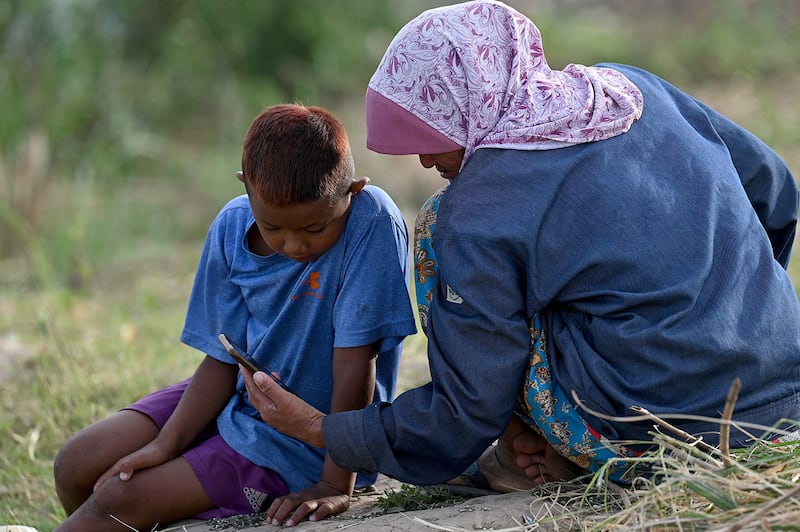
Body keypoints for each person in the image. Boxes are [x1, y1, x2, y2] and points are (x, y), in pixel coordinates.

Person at [244, 0, 800, 525]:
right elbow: (774, 190)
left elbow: (467, 410)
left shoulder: (478, 211)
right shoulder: (628, 89)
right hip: (783, 398)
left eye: (431, 132)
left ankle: (537, 452)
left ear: (471, 99)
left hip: (663, 434)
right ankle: (545, 449)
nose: (425, 157)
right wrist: (730, 301)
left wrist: (321, 429)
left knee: (435, 226)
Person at [52, 103, 417, 531]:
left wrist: (334, 483)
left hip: (306, 443)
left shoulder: (371, 222)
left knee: (119, 499)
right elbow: (224, 356)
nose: (293, 246)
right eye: (272, 228)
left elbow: (356, 361)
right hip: (242, 396)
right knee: (77, 463)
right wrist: (166, 445)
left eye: (314, 230)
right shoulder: (231, 226)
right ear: (247, 190)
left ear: (352, 191)